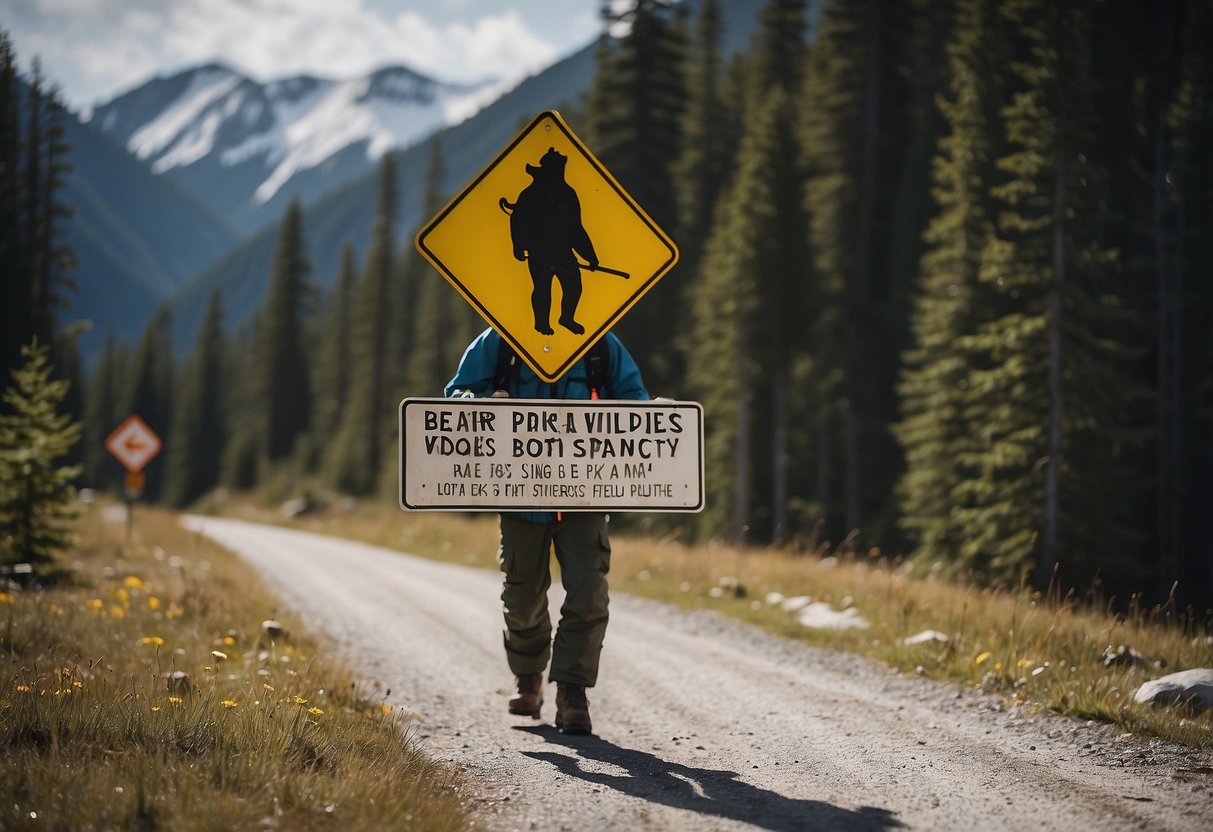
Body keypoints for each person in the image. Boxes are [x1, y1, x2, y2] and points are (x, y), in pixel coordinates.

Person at [445, 326, 649, 735]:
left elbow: (635, 403)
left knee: (589, 593)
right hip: (518, 496)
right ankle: (528, 678)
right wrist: (483, 404)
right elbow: (457, 393)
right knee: (521, 596)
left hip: (585, 497)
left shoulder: (599, 341)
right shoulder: (499, 338)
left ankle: (572, 692)